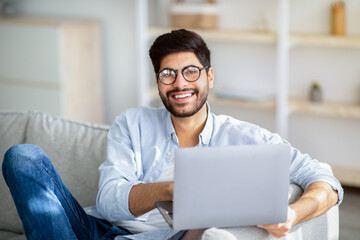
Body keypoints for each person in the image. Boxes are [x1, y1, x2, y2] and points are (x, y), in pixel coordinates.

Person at [2, 29, 343, 240]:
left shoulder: (243, 137)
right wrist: (172, 190)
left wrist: (294, 215)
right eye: (168, 74)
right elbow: (108, 199)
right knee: (22, 157)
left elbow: (324, 179)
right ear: (158, 82)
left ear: (209, 77)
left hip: (172, 237)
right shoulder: (131, 123)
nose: (180, 83)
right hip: (97, 230)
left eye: (190, 72)